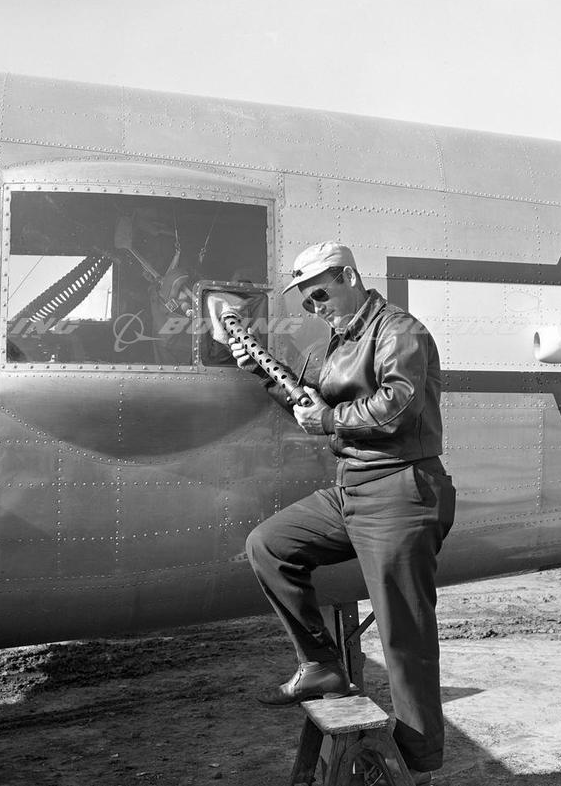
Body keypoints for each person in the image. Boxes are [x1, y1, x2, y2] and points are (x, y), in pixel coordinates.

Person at [234, 241, 456, 783]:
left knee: (404, 640)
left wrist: (331, 421)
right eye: (307, 301)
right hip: (352, 487)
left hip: (401, 490)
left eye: (320, 294)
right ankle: (321, 666)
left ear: (349, 277)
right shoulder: (340, 341)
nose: (315, 307)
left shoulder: (399, 331)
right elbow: (311, 401)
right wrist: (264, 372)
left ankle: (417, 767)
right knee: (269, 545)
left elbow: (399, 405)